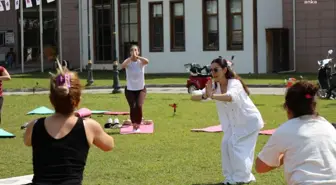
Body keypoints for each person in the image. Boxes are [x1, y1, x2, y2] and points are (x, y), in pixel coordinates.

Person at [23, 67, 115, 185]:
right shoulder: (89, 126)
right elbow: (109, 145)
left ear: (51, 100)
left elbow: (27, 141)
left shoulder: (34, 125)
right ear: (78, 100)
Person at [191, 57, 264, 185]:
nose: (213, 73)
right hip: (233, 124)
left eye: (216, 70)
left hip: (249, 121)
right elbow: (193, 96)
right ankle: (230, 179)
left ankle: (242, 178)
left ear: (224, 70)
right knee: (226, 145)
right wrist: (204, 95)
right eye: (211, 70)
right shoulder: (214, 85)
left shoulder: (235, 83)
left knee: (234, 145)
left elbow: (230, 97)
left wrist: (212, 95)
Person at [255, 81, 336, 185]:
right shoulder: (328, 126)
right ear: (314, 106)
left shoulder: (285, 130)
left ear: (288, 108)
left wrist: (284, 157)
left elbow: (260, 167)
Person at [120, 45, 149, 132]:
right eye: (132, 50)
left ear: (138, 51)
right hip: (130, 89)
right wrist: (131, 58)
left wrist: (137, 56)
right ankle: (134, 125)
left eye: (136, 50)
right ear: (130, 52)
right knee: (133, 106)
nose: (134, 52)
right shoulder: (128, 62)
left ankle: (138, 124)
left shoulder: (141, 62)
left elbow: (147, 61)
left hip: (141, 89)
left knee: (139, 105)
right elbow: (122, 66)